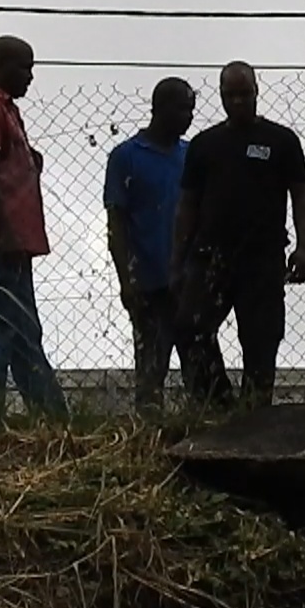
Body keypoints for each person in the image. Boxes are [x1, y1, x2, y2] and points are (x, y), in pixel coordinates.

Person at [172, 61, 305, 408]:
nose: (237, 101)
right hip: (210, 257)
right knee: (190, 327)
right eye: (229, 95)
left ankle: (255, 415)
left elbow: (303, 195)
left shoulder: (281, 141)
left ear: (256, 92)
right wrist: (177, 259)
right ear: (221, 96)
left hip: (261, 259)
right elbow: (187, 204)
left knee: (261, 339)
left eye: (244, 94)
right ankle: (217, 406)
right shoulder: (204, 145)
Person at [0, 35, 68, 422]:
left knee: (22, 332)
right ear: (0, 66)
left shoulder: (6, 111)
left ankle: (54, 419)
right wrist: (4, 230)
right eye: (25, 67)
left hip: (11, 242)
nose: (30, 76)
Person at [104, 77, 197, 411]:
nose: (188, 117)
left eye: (191, 109)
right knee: (151, 369)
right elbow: (117, 222)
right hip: (149, 281)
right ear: (160, 109)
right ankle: (150, 437)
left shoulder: (192, 156)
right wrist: (126, 280)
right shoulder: (126, 156)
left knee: (198, 370)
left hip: (188, 283)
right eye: (181, 109)